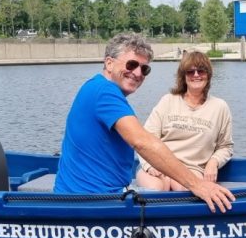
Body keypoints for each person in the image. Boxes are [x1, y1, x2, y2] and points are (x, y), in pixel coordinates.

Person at [53, 32, 235, 213]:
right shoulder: (105, 92)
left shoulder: (99, 88)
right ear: (109, 63)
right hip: (88, 203)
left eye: (144, 69)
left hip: (95, 197)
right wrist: (198, 185)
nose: (138, 73)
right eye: (131, 64)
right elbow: (142, 141)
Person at [135, 49, 234, 191]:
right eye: (190, 71)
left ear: (208, 75)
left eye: (201, 71)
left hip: (192, 169)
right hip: (159, 164)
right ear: (183, 76)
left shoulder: (220, 107)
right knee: (156, 189)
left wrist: (214, 161)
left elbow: (226, 146)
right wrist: (149, 165)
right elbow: (146, 139)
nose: (196, 75)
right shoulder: (168, 101)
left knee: (183, 189)